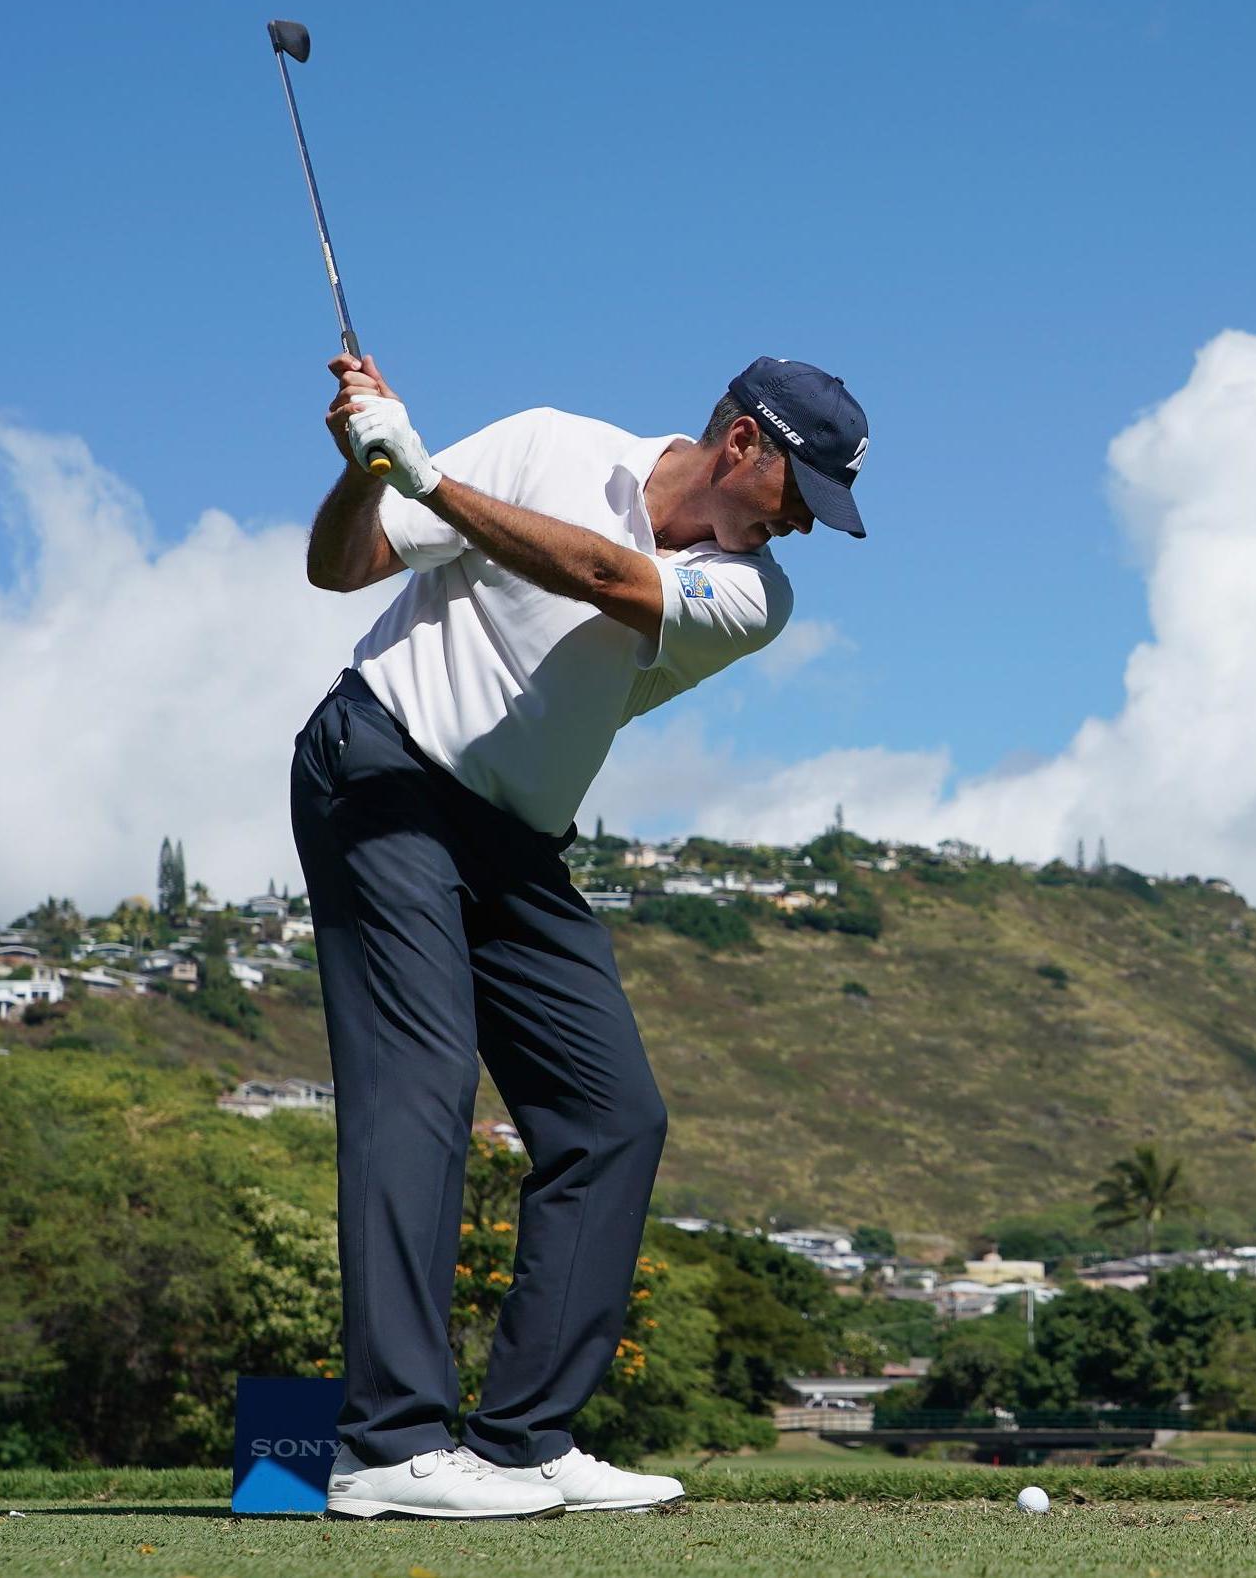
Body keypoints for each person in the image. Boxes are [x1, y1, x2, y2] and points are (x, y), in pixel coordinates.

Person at [293, 352, 870, 1519]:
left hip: (513, 836)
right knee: (422, 1086)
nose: (804, 522)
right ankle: (384, 1447)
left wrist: (430, 477)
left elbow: (610, 576)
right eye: (799, 488)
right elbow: (338, 566)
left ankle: (519, 1439)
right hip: (384, 769)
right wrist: (368, 471)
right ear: (743, 443)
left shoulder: (753, 595)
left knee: (613, 1116)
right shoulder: (548, 442)